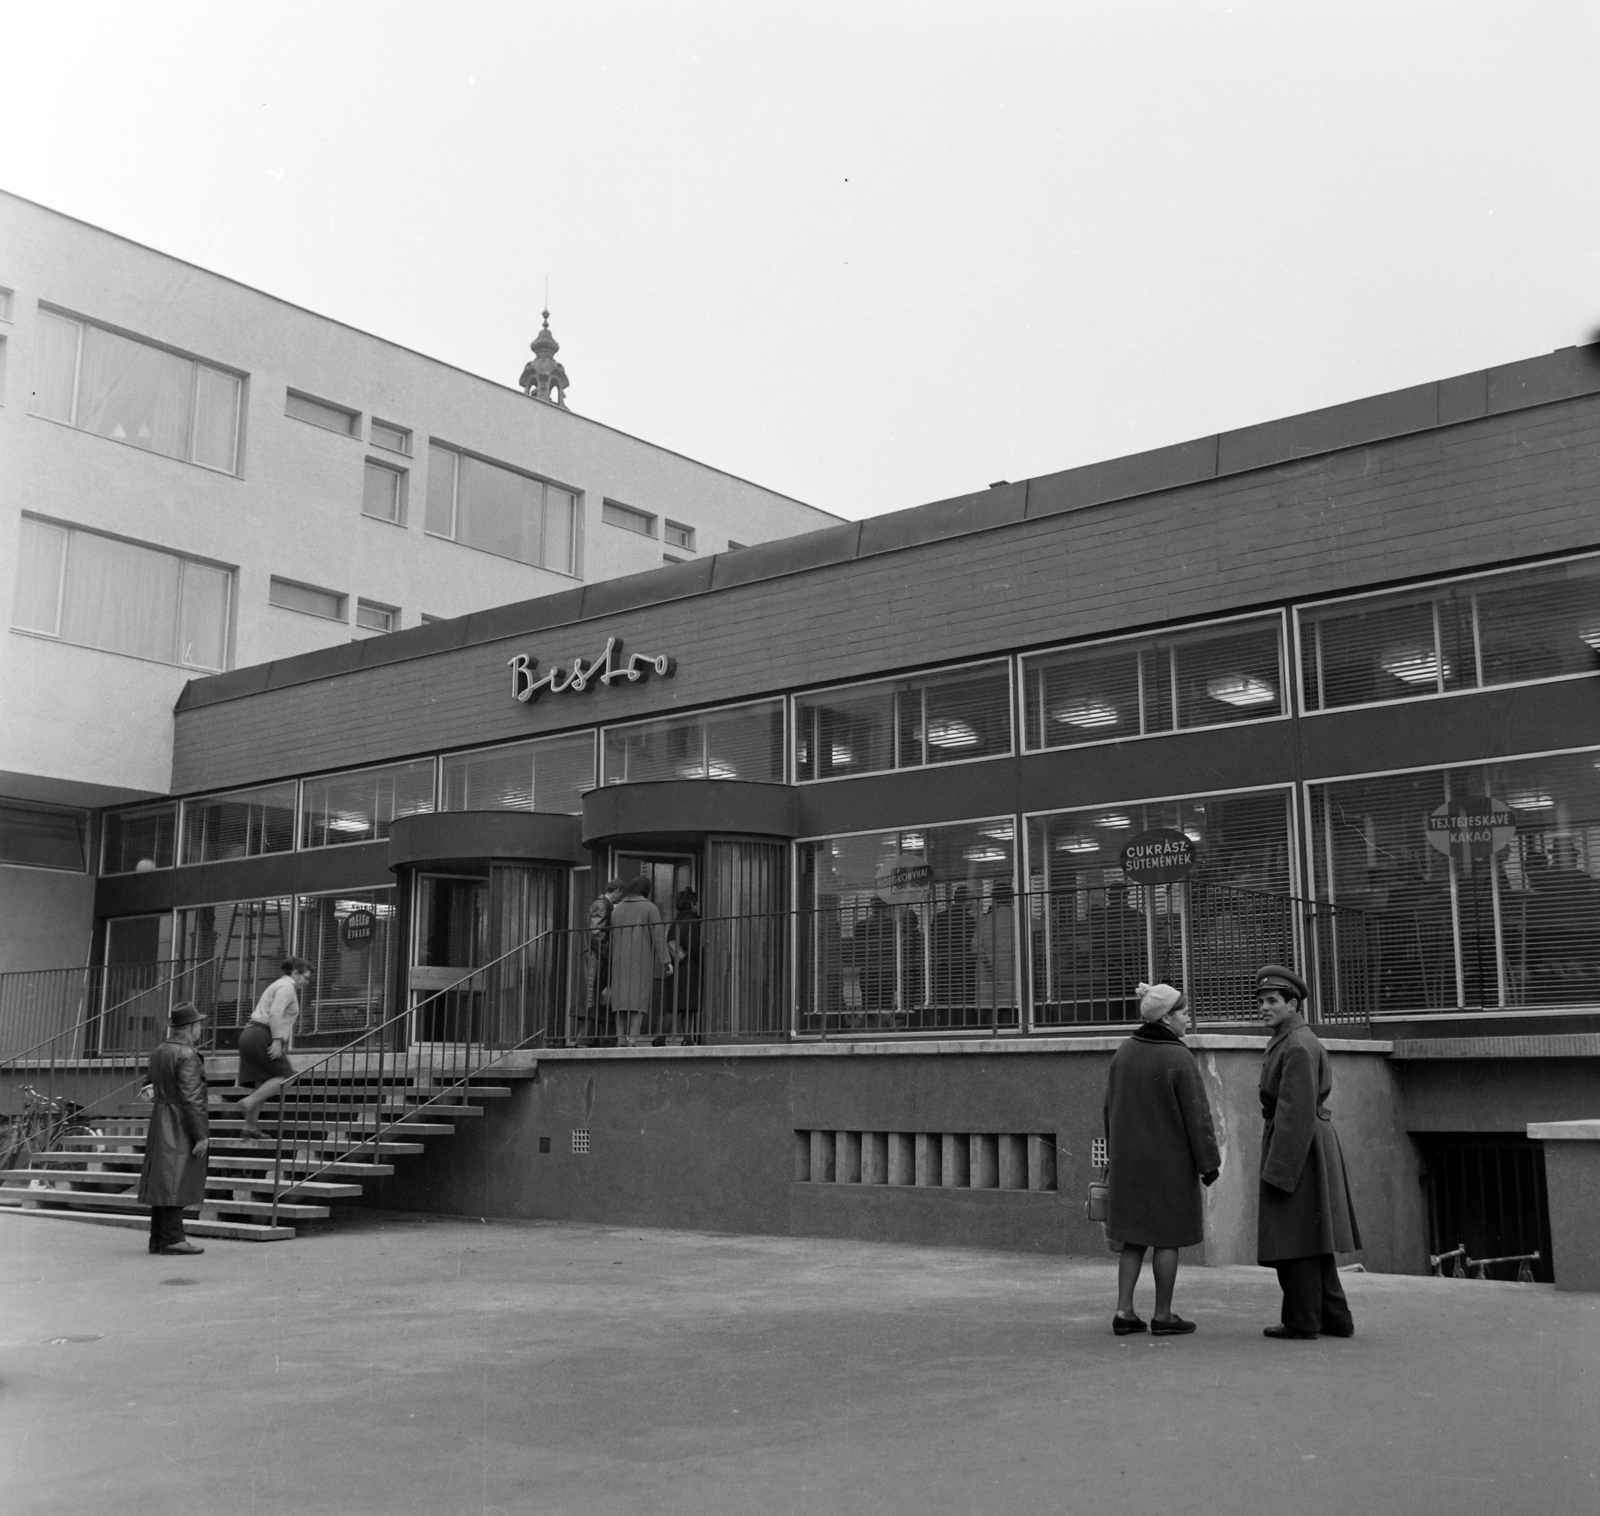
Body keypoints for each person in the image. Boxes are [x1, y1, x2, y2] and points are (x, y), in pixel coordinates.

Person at [1103, 981, 1221, 1336]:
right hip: (1169, 1166)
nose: (1189, 1020)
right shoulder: (1178, 1057)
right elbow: (1197, 1116)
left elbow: (1108, 1109)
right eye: (1185, 1013)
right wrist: (1208, 1164)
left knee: (1132, 1238)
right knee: (1166, 1239)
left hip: (1128, 1165)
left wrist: (1115, 1155)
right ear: (1167, 1017)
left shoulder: (1123, 1052)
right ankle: (1164, 1315)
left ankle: (1124, 1312)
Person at [1255, 964, 1362, 1340]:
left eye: (1272, 1001)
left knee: (1294, 1238)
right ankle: (1335, 1318)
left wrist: (1279, 1170)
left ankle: (1302, 1321)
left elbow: (1293, 1114)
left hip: (1299, 1147)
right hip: (1309, 1145)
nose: (1264, 1007)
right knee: (1313, 1237)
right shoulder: (1294, 1038)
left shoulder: (1297, 1045)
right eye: (1262, 1001)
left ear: (1292, 1003)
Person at [137, 1001, 210, 1256]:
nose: (200, 1028)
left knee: (163, 1179)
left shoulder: (160, 1050)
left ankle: (159, 1238)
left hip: (161, 1116)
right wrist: (201, 1135)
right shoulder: (188, 1054)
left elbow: (150, 1083)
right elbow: (192, 1097)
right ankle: (172, 1239)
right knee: (175, 1179)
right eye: (199, 1024)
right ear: (191, 1027)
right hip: (178, 1119)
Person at [236, 957, 311, 1137]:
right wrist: (277, 1041)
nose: (306, 982)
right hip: (263, 1034)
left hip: (250, 1034)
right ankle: (249, 1102)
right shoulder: (286, 988)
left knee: (263, 1082)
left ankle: (250, 1126)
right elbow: (275, 1014)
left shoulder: (278, 985)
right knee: (287, 1077)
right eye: (305, 977)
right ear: (295, 973)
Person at [608, 877, 670, 1046]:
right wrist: (665, 961)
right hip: (641, 961)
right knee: (638, 1002)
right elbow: (658, 937)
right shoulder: (650, 908)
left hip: (619, 961)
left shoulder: (617, 909)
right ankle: (633, 1039)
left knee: (620, 1002)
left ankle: (620, 1039)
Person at [582, 878, 627, 1044]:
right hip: (597, 959)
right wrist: (609, 954)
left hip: (597, 957)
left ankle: (590, 1037)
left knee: (596, 998)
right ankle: (588, 1037)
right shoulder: (602, 905)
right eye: (621, 894)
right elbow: (596, 934)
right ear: (616, 891)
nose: (622, 898)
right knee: (595, 998)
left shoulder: (601, 905)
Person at [667, 887, 703, 1044]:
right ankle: (687, 1038)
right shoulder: (694, 922)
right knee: (688, 1007)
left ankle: (660, 1037)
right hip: (690, 969)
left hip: (676, 968)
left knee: (672, 1008)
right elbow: (694, 946)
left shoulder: (675, 922)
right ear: (692, 903)